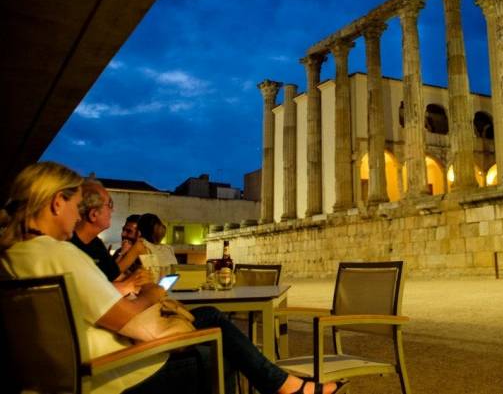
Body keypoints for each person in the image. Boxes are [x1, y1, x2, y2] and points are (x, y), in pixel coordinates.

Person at [0, 161, 345, 394]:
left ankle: (288, 388)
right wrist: (151, 292)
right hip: (116, 375)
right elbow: (141, 328)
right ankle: (289, 389)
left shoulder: (15, 257)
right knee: (218, 342)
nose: (77, 214)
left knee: (210, 321)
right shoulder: (62, 255)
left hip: (65, 377)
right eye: (75, 205)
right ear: (57, 203)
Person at [71, 180, 151, 294]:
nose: (112, 210)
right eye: (110, 205)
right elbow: (90, 294)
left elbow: (113, 275)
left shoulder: (95, 243)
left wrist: (135, 279)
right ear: (94, 214)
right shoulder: (69, 247)